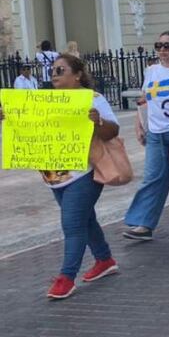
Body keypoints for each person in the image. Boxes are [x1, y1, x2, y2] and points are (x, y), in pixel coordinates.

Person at [0, 55, 121, 299]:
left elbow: (113, 130)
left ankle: (66, 277)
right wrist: (10, 115)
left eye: (60, 70)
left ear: (77, 75)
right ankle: (104, 259)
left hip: (84, 173)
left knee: (73, 224)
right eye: (52, 70)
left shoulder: (92, 99)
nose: (54, 74)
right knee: (86, 219)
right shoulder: (45, 101)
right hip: (55, 176)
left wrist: (98, 121)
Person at [122, 31, 169, 241]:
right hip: (155, 132)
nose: (163, 50)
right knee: (152, 177)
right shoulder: (151, 71)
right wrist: (139, 124)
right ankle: (143, 223)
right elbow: (144, 99)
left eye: (168, 46)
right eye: (159, 46)